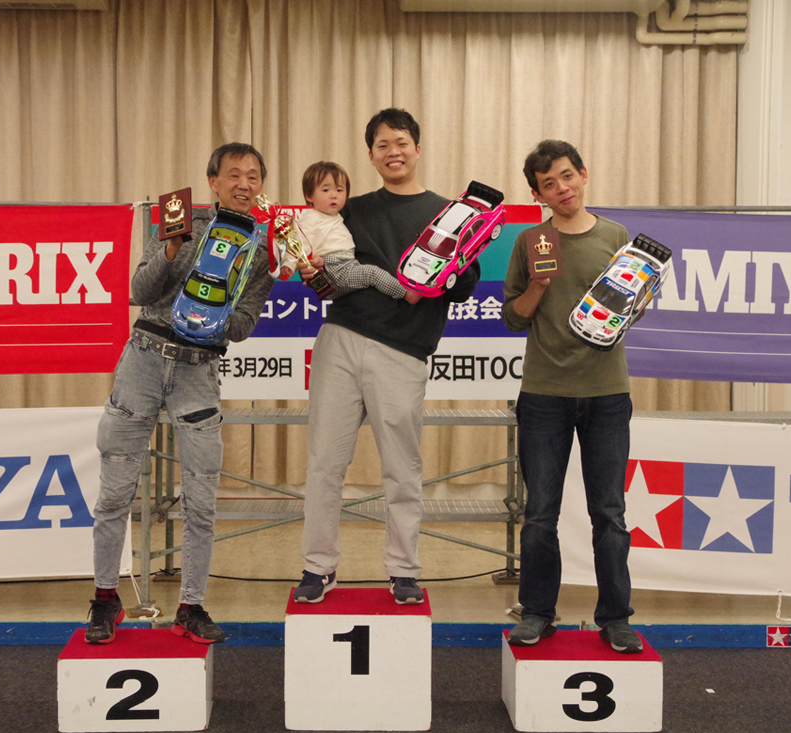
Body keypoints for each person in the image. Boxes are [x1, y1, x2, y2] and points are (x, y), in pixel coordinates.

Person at [85, 143, 274, 645]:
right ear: (213, 182)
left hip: (198, 370)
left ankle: (191, 606)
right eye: (233, 174)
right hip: (143, 359)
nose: (243, 184)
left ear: (261, 187)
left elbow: (244, 325)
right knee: (115, 491)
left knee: (201, 499)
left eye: (253, 177)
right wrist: (171, 251)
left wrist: (212, 315)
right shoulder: (178, 223)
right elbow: (139, 291)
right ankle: (105, 599)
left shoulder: (260, 251)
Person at [293, 109, 480, 605]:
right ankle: (318, 566)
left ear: (417, 148)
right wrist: (313, 273)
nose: (392, 152)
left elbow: (464, 287)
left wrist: (453, 264)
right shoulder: (348, 210)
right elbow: (326, 281)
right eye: (382, 145)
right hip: (341, 340)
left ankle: (403, 570)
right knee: (324, 462)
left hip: (404, 351)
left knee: (402, 467)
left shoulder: (449, 214)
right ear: (371, 155)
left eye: (400, 142)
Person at [502, 139, 642, 654]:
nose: (561, 188)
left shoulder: (616, 236)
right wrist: (539, 286)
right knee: (541, 513)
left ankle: (616, 618)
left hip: (607, 393)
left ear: (584, 174)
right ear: (537, 195)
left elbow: (631, 306)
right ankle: (538, 613)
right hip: (544, 394)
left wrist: (631, 307)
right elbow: (512, 317)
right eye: (548, 184)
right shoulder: (530, 241)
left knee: (610, 513)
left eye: (566, 176)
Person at [275, 161, 420, 305]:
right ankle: (407, 293)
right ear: (309, 196)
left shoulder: (334, 215)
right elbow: (297, 245)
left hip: (343, 266)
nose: (334, 195)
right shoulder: (310, 219)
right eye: (325, 190)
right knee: (372, 273)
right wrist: (289, 265)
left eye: (339, 190)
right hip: (335, 269)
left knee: (370, 281)